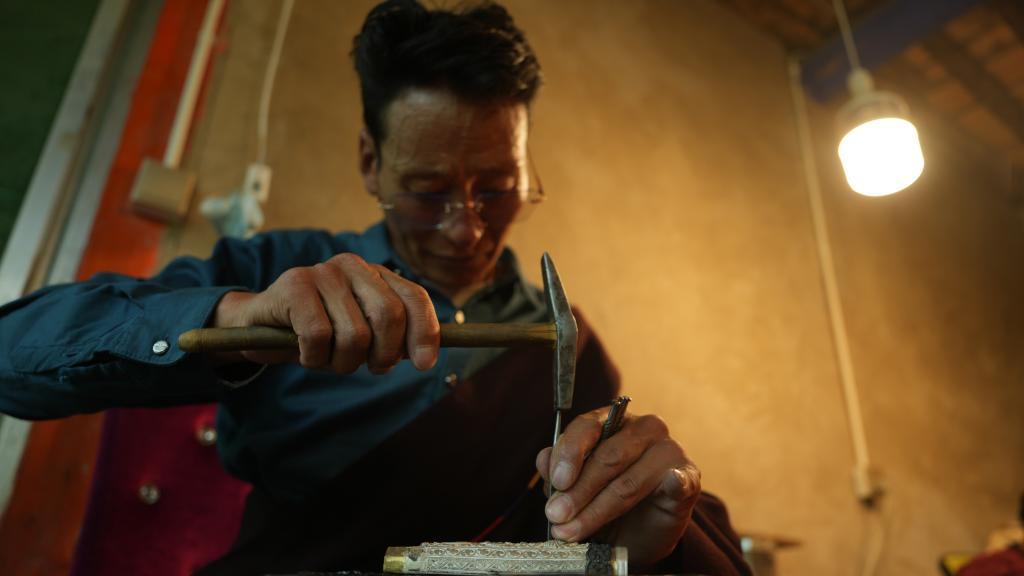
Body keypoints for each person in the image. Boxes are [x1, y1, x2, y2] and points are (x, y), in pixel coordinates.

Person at [0, 1, 750, 574]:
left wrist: (651, 534)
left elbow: (597, 538)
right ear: (370, 162)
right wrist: (235, 318)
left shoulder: (566, 347)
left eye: (497, 188)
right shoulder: (281, 270)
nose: (466, 229)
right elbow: (11, 357)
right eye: (428, 191)